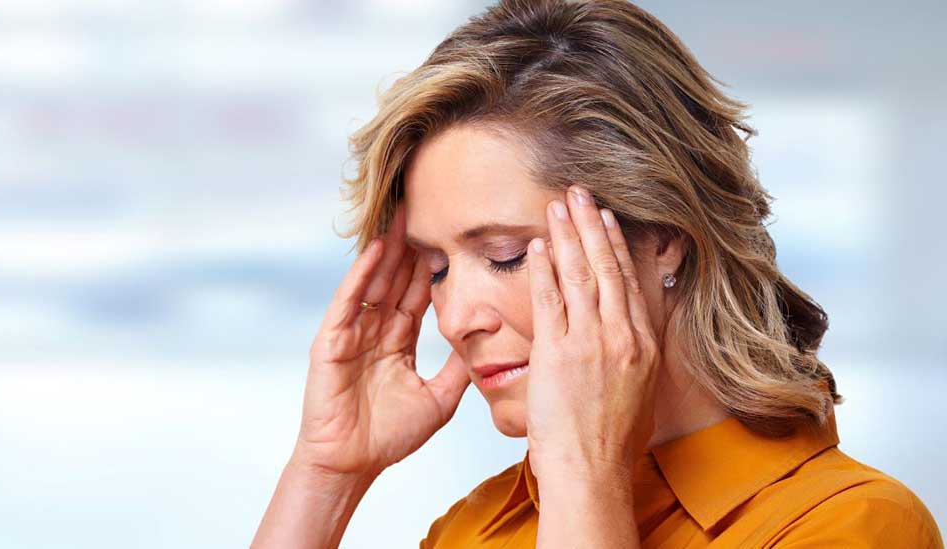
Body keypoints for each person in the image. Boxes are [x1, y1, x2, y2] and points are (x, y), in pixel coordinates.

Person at [251, 0, 944, 547]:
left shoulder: (854, 524)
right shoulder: (475, 528)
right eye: (436, 269)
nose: (455, 319)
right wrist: (326, 473)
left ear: (664, 235)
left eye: (504, 254)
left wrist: (587, 476)